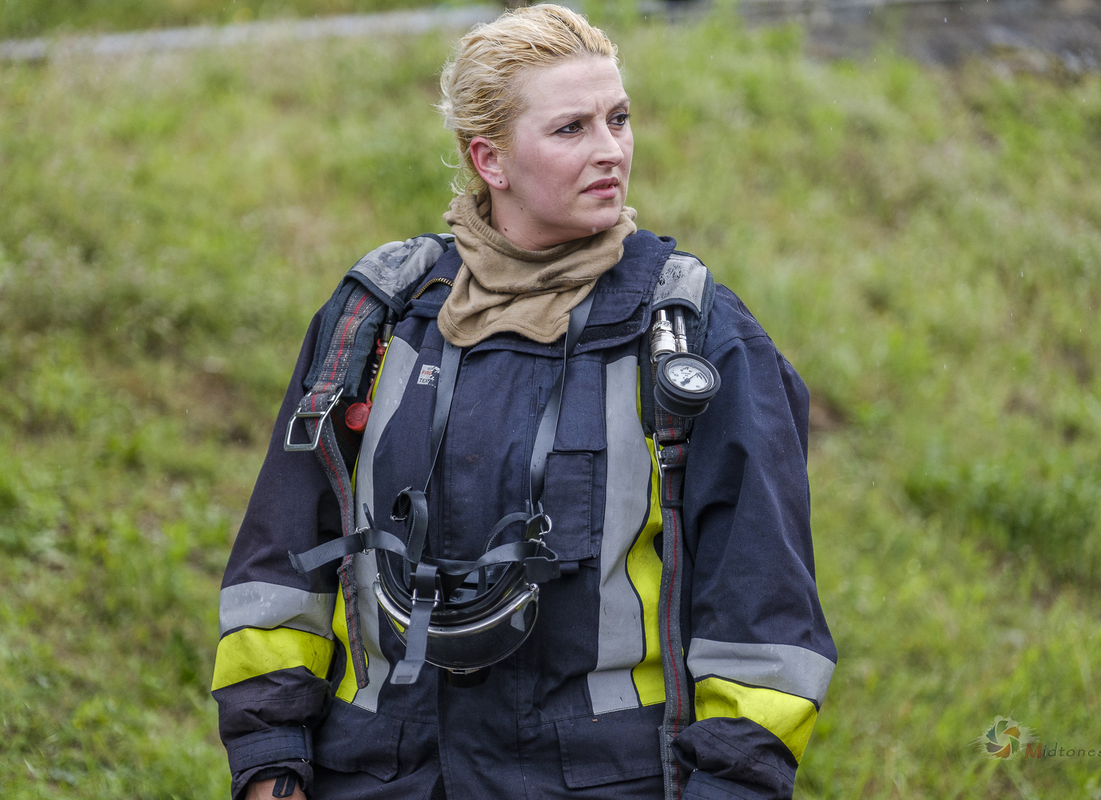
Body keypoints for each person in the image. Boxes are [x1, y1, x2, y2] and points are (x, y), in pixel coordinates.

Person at [211, 6, 836, 800]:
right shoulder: (379, 316)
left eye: (619, 119)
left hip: (600, 782)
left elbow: (763, 614)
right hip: (378, 775)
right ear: (490, 160)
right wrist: (270, 758)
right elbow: (281, 560)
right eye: (571, 129)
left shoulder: (695, 336)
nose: (611, 150)